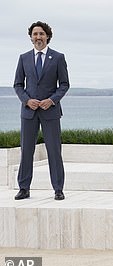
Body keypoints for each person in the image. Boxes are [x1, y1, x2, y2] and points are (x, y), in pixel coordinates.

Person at [13, 21, 70, 201]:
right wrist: (26, 100)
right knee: (26, 150)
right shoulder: (23, 58)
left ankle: (58, 189)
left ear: (47, 37)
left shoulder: (58, 57)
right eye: (35, 34)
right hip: (28, 112)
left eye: (41, 34)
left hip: (50, 112)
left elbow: (65, 85)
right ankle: (24, 188)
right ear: (31, 37)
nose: (38, 37)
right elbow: (18, 84)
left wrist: (51, 100)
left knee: (54, 151)